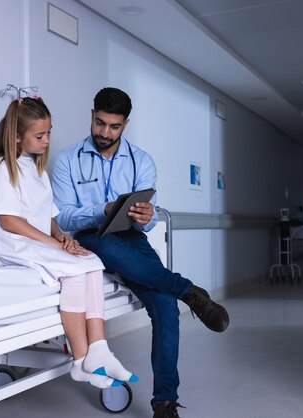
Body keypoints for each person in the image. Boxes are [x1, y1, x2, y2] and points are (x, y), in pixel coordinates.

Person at [51, 87, 230, 417]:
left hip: (131, 239)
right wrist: (100, 210)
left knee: (165, 309)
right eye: (99, 123)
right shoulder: (67, 160)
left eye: (114, 126)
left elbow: (146, 219)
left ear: (126, 124)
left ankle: (165, 402)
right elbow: (62, 215)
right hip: (90, 238)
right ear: (91, 116)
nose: (105, 133)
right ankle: (189, 291)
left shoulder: (141, 161)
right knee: (104, 243)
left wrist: (147, 219)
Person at [0, 96, 137, 390]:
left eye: (49, 133)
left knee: (91, 261)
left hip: (32, 237)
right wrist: (53, 245)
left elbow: (47, 215)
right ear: (16, 137)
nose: (47, 140)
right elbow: (9, 222)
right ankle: (81, 358)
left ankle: (99, 347)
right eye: (40, 135)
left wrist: (61, 236)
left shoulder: (37, 170)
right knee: (74, 270)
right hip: (7, 240)